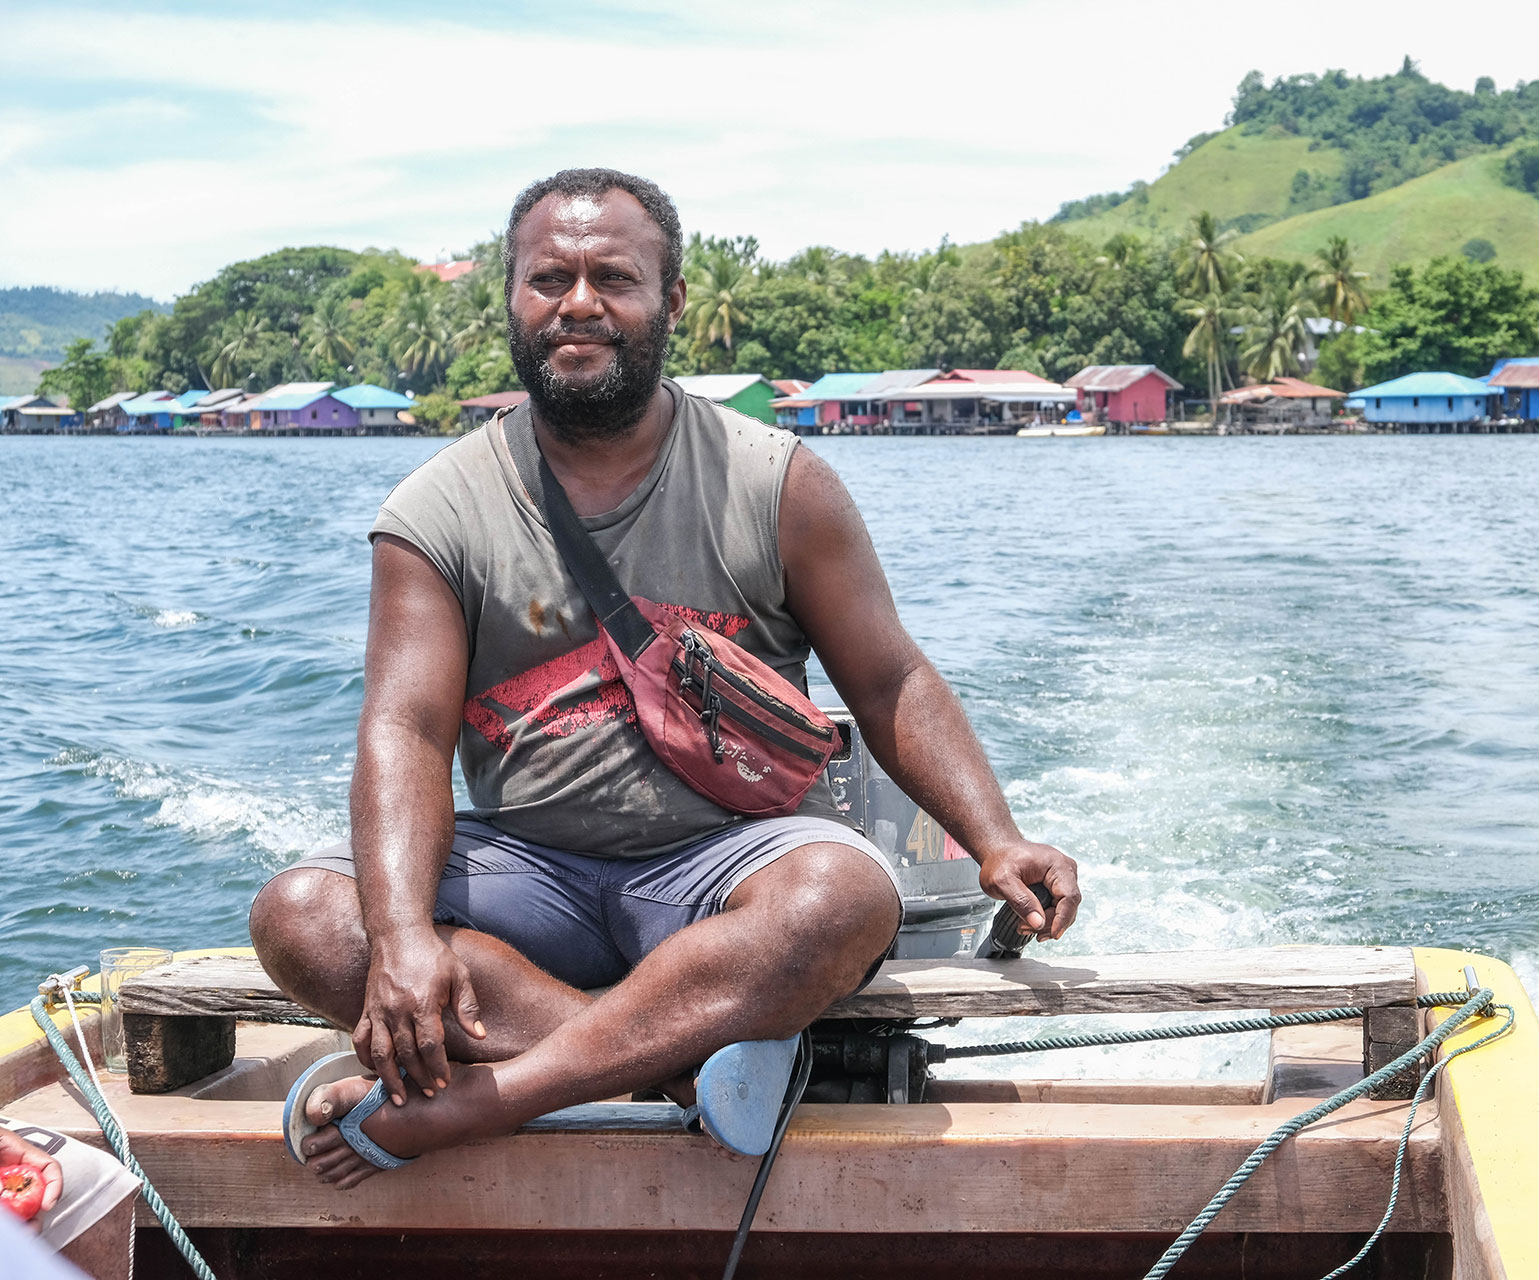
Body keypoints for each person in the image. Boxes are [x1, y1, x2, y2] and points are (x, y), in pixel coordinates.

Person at [248, 168, 1080, 1188]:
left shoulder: (777, 482)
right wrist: (405, 935)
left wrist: (997, 839)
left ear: (672, 300)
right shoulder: (437, 510)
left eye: (616, 277)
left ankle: (498, 1093)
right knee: (305, 915)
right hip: (530, 877)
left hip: (723, 869)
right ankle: (674, 1070)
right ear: (512, 297)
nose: (579, 303)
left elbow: (889, 675)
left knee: (843, 895)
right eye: (549, 278)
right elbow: (406, 731)